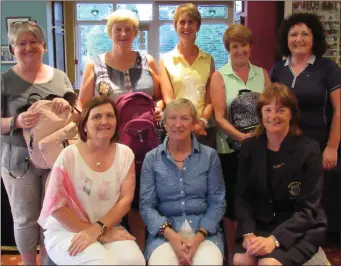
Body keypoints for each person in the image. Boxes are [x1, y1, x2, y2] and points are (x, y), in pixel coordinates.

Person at [78, 9, 163, 248]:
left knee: (139, 200)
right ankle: (108, 247)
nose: (123, 34)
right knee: (109, 198)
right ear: (110, 32)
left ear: (136, 33)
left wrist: (158, 108)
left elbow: (162, 97)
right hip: (108, 146)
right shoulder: (94, 66)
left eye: (128, 29)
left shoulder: (149, 62)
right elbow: (83, 104)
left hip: (145, 145)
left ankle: (139, 251)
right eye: (118, 29)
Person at [38, 96, 145, 265]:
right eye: (96, 117)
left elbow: (125, 201)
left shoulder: (125, 154)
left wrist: (99, 230)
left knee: (135, 261)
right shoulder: (69, 155)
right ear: (85, 125)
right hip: (67, 230)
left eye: (110, 116)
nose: (104, 121)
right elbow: (56, 208)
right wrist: (96, 232)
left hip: (107, 226)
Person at [1, 21, 74, 265]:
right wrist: (17, 121)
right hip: (18, 162)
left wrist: (67, 107)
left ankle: (47, 262)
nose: (28, 47)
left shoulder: (60, 77)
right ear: (13, 49)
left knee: (52, 217)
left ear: (43, 45)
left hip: (55, 159)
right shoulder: (5, 81)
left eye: (33, 42)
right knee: (24, 219)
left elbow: (76, 116)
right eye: (21, 43)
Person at [233, 83, 327, 266]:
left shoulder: (309, 150)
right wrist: (248, 233)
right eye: (267, 110)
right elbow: (241, 197)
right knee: (240, 260)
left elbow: (309, 210)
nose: (273, 116)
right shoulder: (249, 147)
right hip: (261, 226)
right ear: (260, 114)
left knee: (269, 264)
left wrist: (274, 240)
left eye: (281, 110)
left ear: (292, 114)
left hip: (299, 229)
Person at [209, 24, 271, 261]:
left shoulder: (262, 74)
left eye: (244, 45)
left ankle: (254, 247)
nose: (240, 50)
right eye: (235, 46)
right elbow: (219, 118)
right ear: (228, 49)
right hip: (229, 150)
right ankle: (230, 250)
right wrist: (243, 138)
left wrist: (256, 141)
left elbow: (269, 110)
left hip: (261, 149)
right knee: (232, 201)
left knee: (257, 197)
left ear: (250, 47)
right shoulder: (219, 76)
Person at [140, 98, 226, 265]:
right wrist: (171, 236)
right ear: (164, 122)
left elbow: (218, 202)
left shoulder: (209, 156)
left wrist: (198, 237)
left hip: (204, 233)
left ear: (194, 123)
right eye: (172, 118)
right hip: (164, 235)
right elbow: (146, 206)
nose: (178, 124)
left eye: (185, 118)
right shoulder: (151, 159)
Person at [270, 12, 340, 170]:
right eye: (293, 34)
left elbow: (339, 110)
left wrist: (332, 147)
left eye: (305, 34)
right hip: (284, 145)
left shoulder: (328, 68)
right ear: (285, 39)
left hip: (319, 146)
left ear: (314, 38)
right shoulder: (277, 69)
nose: (299, 39)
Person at [159, 3, 216, 148]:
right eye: (182, 22)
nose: (186, 26)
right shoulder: (166, 60)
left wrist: (201, 122)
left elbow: (210, 100)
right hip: (176, 129)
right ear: (175, 26)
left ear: (198, 26)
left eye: (191, 22)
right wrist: (185, 124)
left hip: (203, 130)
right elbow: (168, 99)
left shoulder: (208, 60)